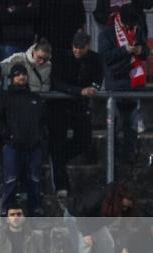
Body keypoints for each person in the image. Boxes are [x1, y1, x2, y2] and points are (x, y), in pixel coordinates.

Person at [49, 31, 103, 197]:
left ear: (88, 46)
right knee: (57, 142)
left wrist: (93, 88)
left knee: (84, 140)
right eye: (75, 47)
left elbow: (98, 79)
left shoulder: (95, 59)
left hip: (80, 107)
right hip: (60, 106)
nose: (77, 51)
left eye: (80, 47)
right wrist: (79, 91)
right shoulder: (62, 57)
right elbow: (56, 82)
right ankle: (61, 184)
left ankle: (59, 157)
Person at [0, 64, 46, 217]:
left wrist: (40, 138)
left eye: (23, 74)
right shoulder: (4, 96)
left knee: (35, 179)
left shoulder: (35, 98)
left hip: (33, 146)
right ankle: (5, 210)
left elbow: (43, 122)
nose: (21, 77)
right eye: (17, 75)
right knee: (10, 180)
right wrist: (9, 135)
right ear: (11, 78)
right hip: (12, 146)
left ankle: (35, 210)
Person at [99, 5, 149, 161]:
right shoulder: (107, 34)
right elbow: (105, 57)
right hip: (115, 85)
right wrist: (125, 50)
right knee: (112, 126)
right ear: (120, 19)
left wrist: (141, 51)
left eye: (131, 24)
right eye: (127, 24)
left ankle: (129, 158)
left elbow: (146, 51)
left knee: (131, 126)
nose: (129, 27)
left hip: (133, 85)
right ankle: (110, 159)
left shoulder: (137, 30)